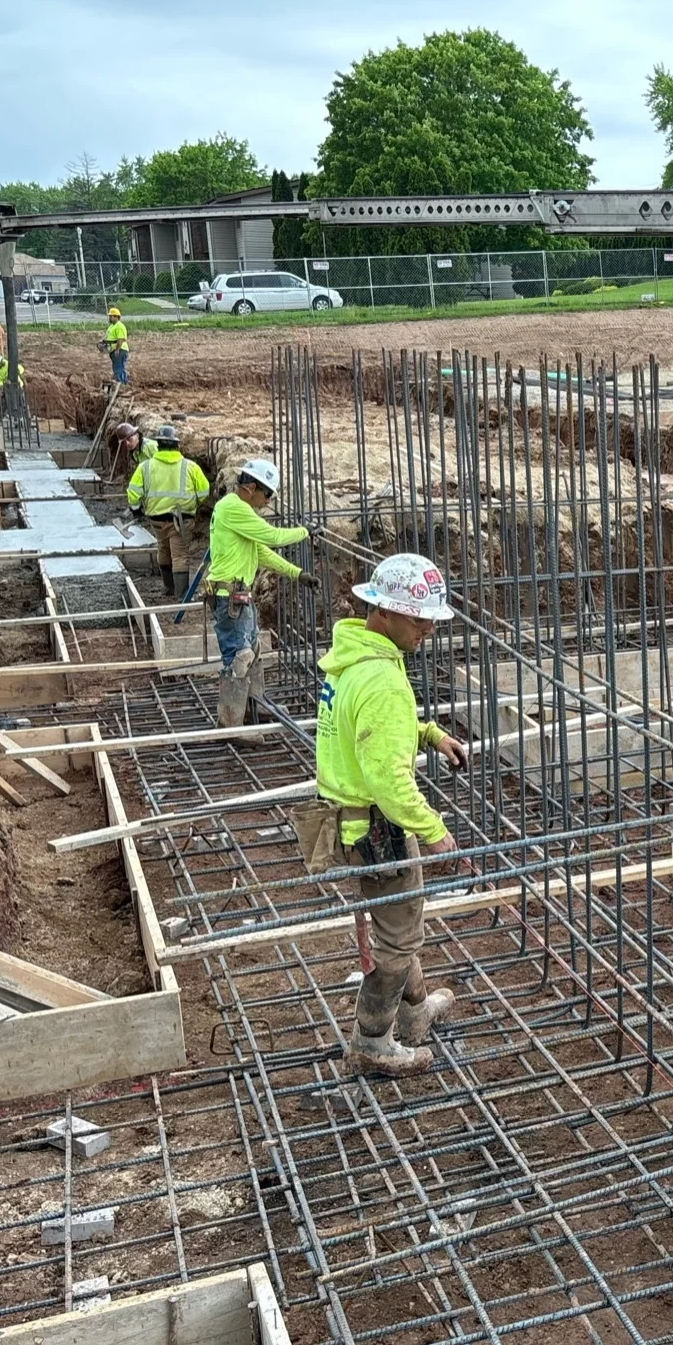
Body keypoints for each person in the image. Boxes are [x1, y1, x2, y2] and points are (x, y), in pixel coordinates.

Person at [309, 553, 470, 1076]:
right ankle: (372, 1041)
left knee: (400, 919)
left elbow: (371, 728)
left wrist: (429, 733)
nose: (428, 629)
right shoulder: (381, 679)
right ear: (383, 612)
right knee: (398, 938)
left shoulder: (358, 656)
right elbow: (388, 779)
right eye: (418, 618)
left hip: (352, 817)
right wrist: (434, 830)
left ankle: (415, 1013)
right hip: (377, 829)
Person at [205, 457, 316, 727]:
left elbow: (261, 552)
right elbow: (273, 537)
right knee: (239, 658)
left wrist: (296, 573)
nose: (268, 502)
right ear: (252, 487)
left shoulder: (237, 512)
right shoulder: (234, 508)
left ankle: (256, 705)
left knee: (252, 653)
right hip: (229, 598)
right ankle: (230, 723)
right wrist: (305, 532)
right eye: (267, 495)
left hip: (240, 597)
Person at [126, 424, 212, 599]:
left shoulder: (145, 467)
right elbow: (204, 492)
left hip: (156, 519)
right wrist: (193, 504)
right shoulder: (190, 466)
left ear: (158, 445)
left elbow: (133, 493)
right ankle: (182, 595)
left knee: (163, 549)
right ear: (177, 445)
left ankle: (168, 588)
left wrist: (136, 510)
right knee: (179, 555)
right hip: (181, 519)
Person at [103, 307, 128, 385]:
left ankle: (120, 384)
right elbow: (107, 336)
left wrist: (117, 349)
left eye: (111, 316)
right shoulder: (112, 326)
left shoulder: (119, 326)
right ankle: (122, 384)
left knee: (118, 368)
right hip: (114, 350)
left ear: (116, 317)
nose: (109, 318)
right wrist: (102, 342)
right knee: (118, 367)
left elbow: (120, 339)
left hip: (120, 350)